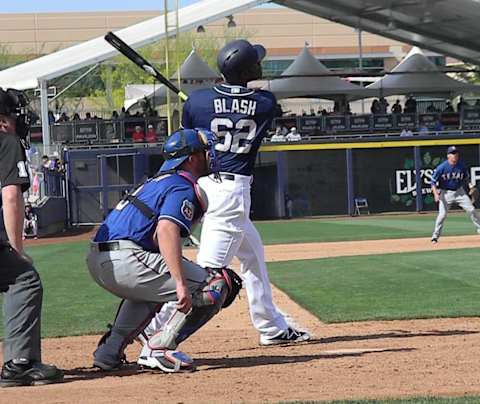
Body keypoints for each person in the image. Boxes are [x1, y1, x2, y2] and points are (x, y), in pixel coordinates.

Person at [142, 39, 310, 354]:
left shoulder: (198, 101)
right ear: (246, 70)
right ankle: (150, 329)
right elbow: (239, 105)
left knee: (253, 258)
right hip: (230, 193)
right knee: (205, 277)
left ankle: (271, 326)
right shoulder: (265, 102)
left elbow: (191, 137)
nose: (261, 64)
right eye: (256, 62)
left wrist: (204, 104)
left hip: (205, 184)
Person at [87, 128, 241, 372]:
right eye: (204, 151)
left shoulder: (157, 182)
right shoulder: (182, 185)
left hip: (100, 259)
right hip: (126, 258)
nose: (210, 155)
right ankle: (160, 348)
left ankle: (109, 352)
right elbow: (166, 230)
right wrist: (181, 283)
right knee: (216, 284)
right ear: (191, 159)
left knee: (154, 290)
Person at [0, 87, 63, 387]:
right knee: (24, 279)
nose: (17, 120)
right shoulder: (7, 141)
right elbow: (12, 196)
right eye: (12, 115)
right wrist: (16, 248)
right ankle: (19, 363)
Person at [430, 146, 480, 243]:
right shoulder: (441, 167)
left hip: (459, 192)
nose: (455, 155)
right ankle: (435, 236)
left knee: (472, 210)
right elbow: (432, 182)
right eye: (453, 154)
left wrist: (470, 185)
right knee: (442, 215)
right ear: (448, 156)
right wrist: (436, 194)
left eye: (456, 153)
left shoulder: (461, 165)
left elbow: (466, 178)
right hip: (446, 193)